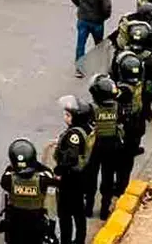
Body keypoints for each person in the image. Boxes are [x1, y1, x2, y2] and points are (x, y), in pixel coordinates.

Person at [0, 139, 58, 243]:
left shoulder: (8, 179)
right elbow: (49, 173)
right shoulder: (43, 179)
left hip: (14, 224)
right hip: (35, 223)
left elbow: (7, 172)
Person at [53, 96, 94, 244]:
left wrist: (58, 172)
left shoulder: (74, 135)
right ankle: (80, 239)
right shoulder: (87, 127)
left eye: (68, 115)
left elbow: (70, 159)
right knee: (79, 212)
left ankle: (67, 240)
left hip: (71, 180)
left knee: (65, 214)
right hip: (83, 177)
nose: (65, 117)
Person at [84, 74, 122, 219]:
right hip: (112, 146)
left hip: (94, 147)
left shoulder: (91, 108)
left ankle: (88, 208)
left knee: (91, 177)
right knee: (108, 178)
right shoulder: (117, 107)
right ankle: (104, 210)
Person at [112, 51, 146, 195]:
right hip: (137, 123)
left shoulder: (124, 90)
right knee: (128, 157)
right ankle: (121, 184)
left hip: (126, 127)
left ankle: (120, 187)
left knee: (123, 161)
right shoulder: (139, 82)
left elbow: (111, 94)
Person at [71, 0, 113, 78]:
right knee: (98, 45)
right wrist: (104, 17)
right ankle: (99, 68)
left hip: (83, 20)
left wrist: (82, 8)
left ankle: (79, 69)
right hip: (97, 22)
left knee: (81, 44)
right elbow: (107, 7)